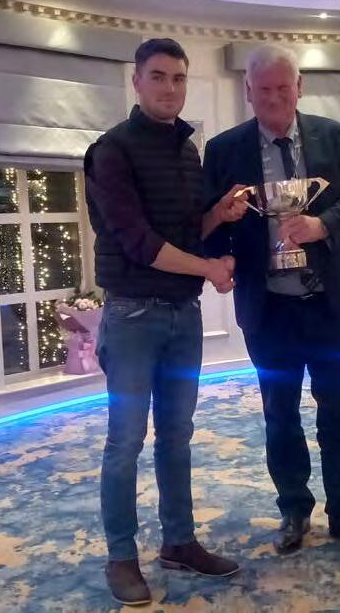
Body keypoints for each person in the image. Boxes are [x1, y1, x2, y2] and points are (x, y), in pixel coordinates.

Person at [203, 44, 340, 557]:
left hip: (330, 306)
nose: (274, 98)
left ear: (299, 87)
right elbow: (210, 224)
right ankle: (293, 510)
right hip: (269, 313)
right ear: (248, 91)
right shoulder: (223, 150)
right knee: (280, 416)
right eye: (263, 89)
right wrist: (220, 252)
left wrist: (320, 224)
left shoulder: (335, 136)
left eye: (283, 88)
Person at [84, 38, 246, 607]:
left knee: (177, 436)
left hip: (183, 313)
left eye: (178, 78)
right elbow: (138, 243)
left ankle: (178, 541)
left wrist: (216, 216)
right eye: (158, 76)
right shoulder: (110, 150)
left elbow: (182, 233)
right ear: (137, 81)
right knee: (125, 442)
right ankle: (120, 557)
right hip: (131, 314)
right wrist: (209, 267)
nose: (170, 88)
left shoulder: (187, 150)